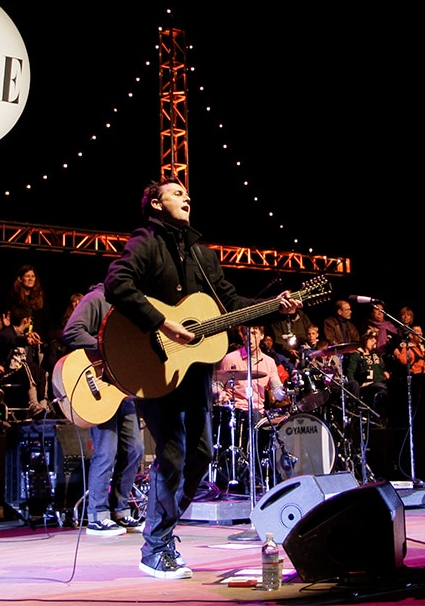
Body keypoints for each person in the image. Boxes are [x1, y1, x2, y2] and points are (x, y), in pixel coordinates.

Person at [103, 177, 301, 579]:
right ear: (155, 203)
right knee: (172, 454)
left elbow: (232, 304)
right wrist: (163, 323)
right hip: (152, 365)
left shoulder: (202, 254)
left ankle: (161, 535)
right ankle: (156, 547)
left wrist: (274, 307)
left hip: (193, 370)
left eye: (187, 193)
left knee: (201, 455)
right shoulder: (145, 241)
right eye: (176, 193)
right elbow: (116, 283)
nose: (187, 197)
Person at [60, 282, 144, 536]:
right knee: (106, 452)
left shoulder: (132, 306)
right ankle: (97, 515)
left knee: (135, 450)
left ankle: (120, 510)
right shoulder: (97, 298)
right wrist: (106, 347)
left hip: (123, 389)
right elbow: (72, 331)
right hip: (99, 386)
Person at [342, 328, 389, 425]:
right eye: (371, 340)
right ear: (365, 340)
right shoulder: (357, 355)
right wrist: (355, 386)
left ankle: (383, 418)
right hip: (365, 384)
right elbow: (350, 373)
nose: (374, 343)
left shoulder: (376, 355)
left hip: (379, 382)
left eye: (375, 341)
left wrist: (384, 372)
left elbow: (380, 368)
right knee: (382, 388)